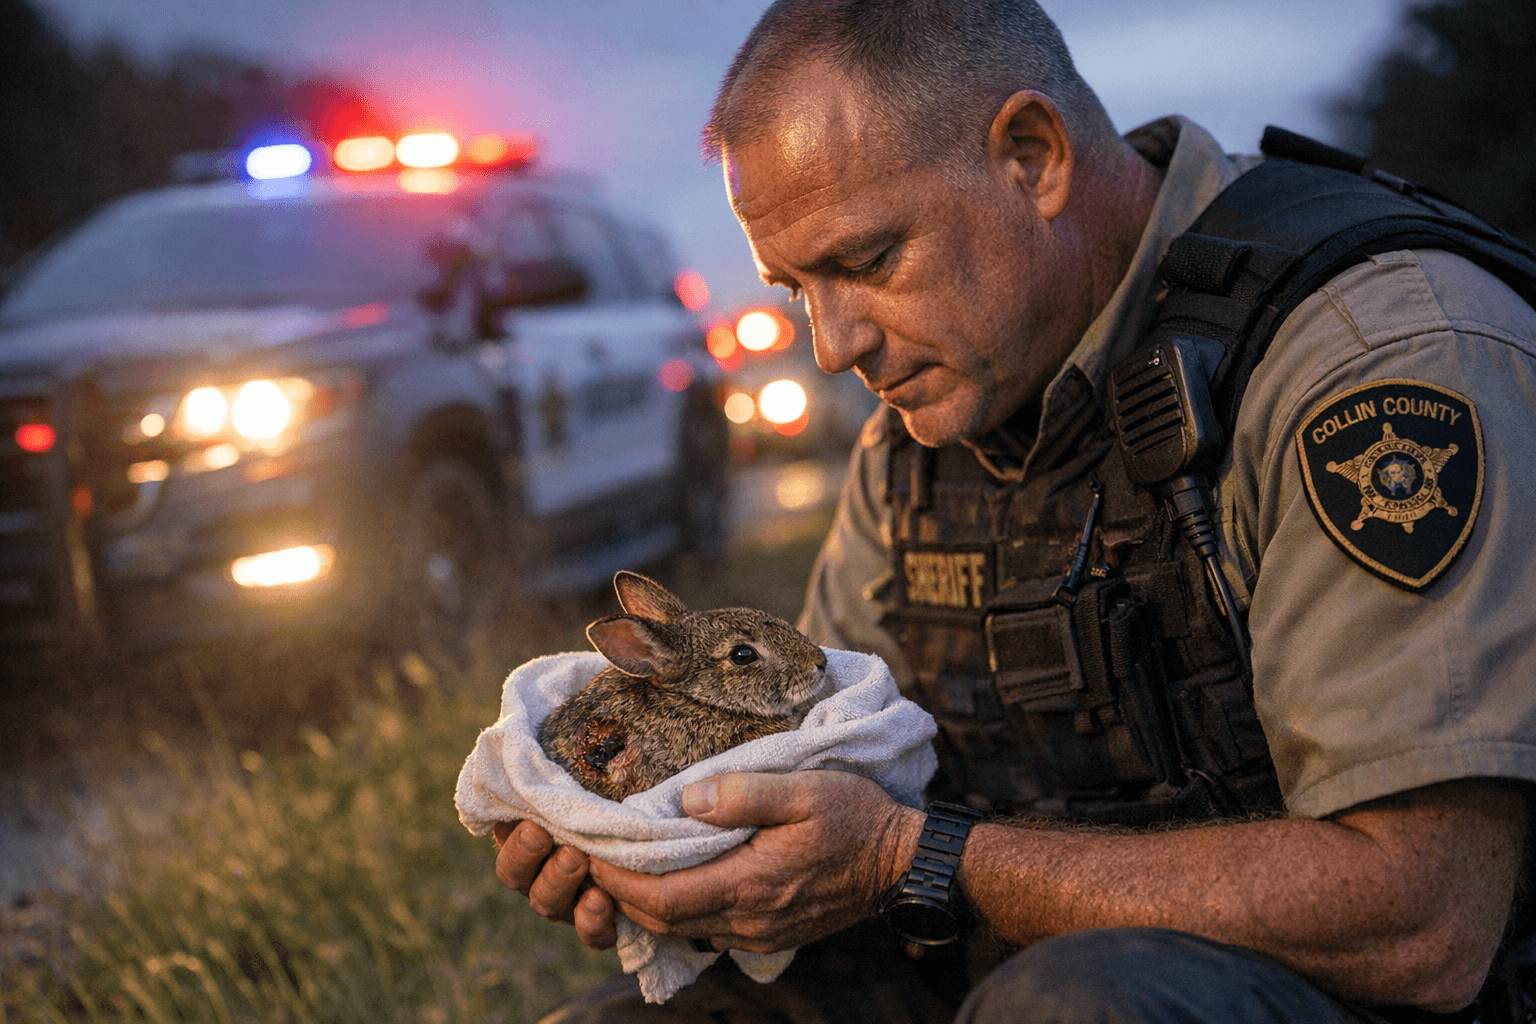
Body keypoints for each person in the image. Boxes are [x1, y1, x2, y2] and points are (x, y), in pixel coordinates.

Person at [493, 2, 1536, 1021]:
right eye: (796, 289)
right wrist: (654, 835)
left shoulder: (1372, 369)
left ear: (1032, 157)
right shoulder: (918, 437)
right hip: (1007, 954)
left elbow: (1425, 919)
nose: (832, 346)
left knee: (1070, 1003)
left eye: (866, 262)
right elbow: (818, 763)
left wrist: (912, 857)